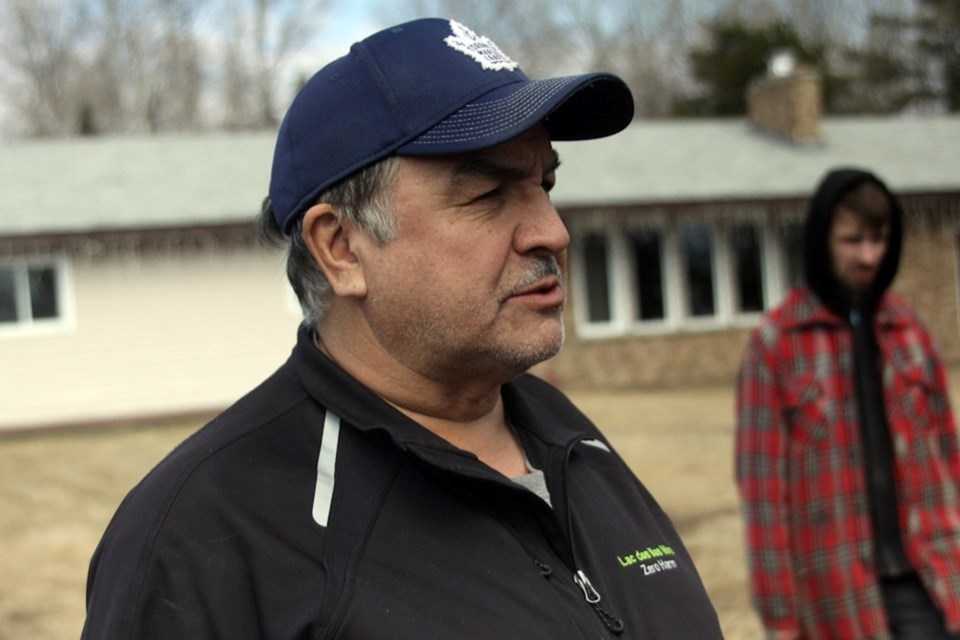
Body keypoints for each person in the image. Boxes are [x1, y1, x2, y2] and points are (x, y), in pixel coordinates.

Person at [82, 18, 723, 639]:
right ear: (341, 249)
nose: (552, 231)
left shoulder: (567, 435)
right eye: (488, 196)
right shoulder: (203, 535)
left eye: (544, 184)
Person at [735, 167, 960, 640]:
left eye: (879, 241)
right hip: (837, 596)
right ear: (822, 240)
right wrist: (781, 619)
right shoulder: (776, 344)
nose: (868, 256)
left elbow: (949, 457)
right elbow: (764, 497)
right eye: (852, 240)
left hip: (933, 580)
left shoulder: (910, 331)